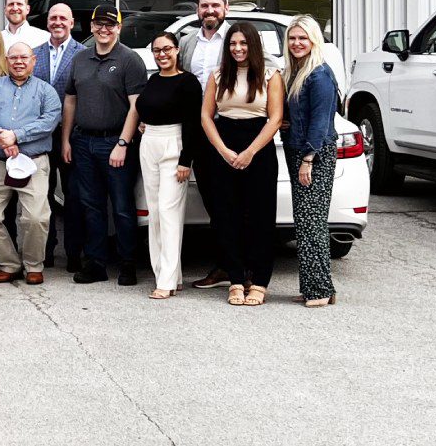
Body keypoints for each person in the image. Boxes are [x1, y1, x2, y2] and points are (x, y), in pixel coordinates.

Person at [199, 21, 286, 307]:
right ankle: (236, 279)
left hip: (258, 147)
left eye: (243, 43)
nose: (237, 49)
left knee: (260, 217)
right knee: (226, 216)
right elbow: (206, 117)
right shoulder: (218, 75)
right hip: (223, 146)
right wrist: (223, 150)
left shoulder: (271, 75)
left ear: (254, 46)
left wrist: (250, 151)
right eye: (233, 44)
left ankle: (259, 281)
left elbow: (274, 118)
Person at [63, 6, 149, 286]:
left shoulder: (129, 59)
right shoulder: (79, 59)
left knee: (122, 206)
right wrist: (66, 139)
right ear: (90, 26)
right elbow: (70, 101)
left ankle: (127, 263)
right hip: (83, 141)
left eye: (110, 25)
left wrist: (123, 142)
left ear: (119, 28)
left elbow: (137, 106)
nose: (104, 29)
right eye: (99, 24)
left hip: (116, 141)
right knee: (91, 206)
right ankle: (96, 262)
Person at [118, 32, 202, 299]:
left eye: (167, 49)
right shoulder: (153, 79)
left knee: (168, 212)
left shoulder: (188, 82)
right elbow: (145, 109)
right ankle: (168, 274)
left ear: (177, 50)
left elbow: (192, 123)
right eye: (157, 50)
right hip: (150, 143)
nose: (162, 54)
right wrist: (144, 124)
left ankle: (165, 281)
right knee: (154, 212)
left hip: (174, 145)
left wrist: (185, 160)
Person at [0, 42, 62, 284]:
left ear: (34, 61)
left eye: (24, 57)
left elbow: (49, 121)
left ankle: (34, 265)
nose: (19, 62)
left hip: (32, 163)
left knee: (36, 218)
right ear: (7, 60)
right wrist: (3, 139)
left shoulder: (47, 91)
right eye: (13, 58)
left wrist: (17, 136)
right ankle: (9, 264)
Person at [282, 16, 340, 308]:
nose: (296, 43)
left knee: (312, 223)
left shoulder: (319, 75)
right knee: (305, 224)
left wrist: (308, 159)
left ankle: (318, 291)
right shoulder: (296, 71)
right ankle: (316, 288)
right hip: (298, 152)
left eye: (302, 38)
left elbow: (319, 122)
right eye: (292, 38)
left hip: (314, 155)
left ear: (314, 40)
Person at [35, 3, 86, 271]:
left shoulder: (85, 55)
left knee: (73, 195)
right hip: (40, 137)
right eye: (53, 18)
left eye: (62, 18)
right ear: (47, 23)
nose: (57, 22)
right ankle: (46, 249)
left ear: (72, 22)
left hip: (72, 136)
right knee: (41, 195)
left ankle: (74, 252)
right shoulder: (34, 55)